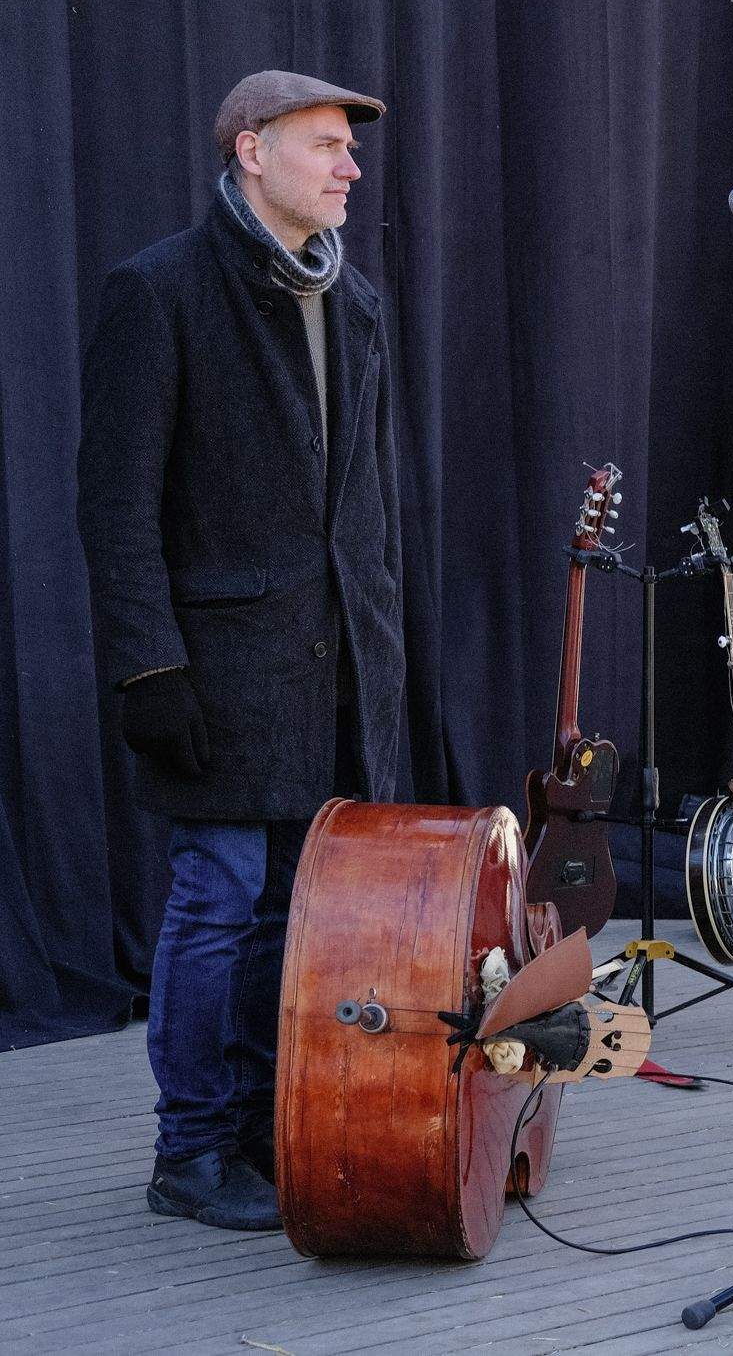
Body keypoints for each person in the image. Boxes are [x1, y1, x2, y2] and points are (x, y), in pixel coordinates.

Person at [75, 70, 406, 1230]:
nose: (349, 167)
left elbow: (362, 511)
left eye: (350, 151)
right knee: (217, 901)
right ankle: (190, 1154)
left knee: (293, 916)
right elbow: (115, 505)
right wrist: (148, 668)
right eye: (325, 146)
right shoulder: (158, 290)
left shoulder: (353, 303)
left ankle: (272, 1133)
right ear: (251, 152)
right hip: (215, 670)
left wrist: (381, 658)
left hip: (335, 669)